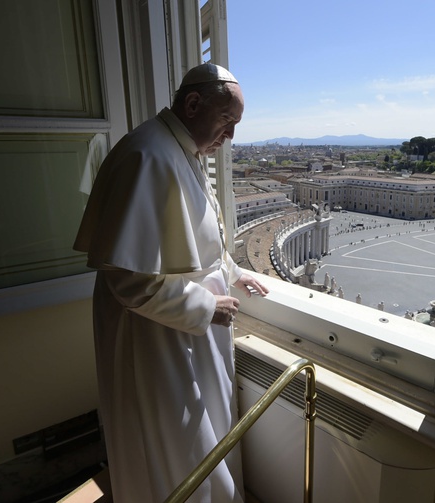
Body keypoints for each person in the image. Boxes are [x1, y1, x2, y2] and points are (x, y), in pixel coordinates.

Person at [74, 63, 268, 502]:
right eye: (227, 121)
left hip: (182, 327)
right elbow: (126, 278)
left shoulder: (183, 151)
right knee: (176, 440)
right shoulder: (146, 155)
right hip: (154, 334)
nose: (231, 138)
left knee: (204, 432)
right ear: (194, 104)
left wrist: (234, 274)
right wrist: (205, 305)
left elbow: (199, 237)